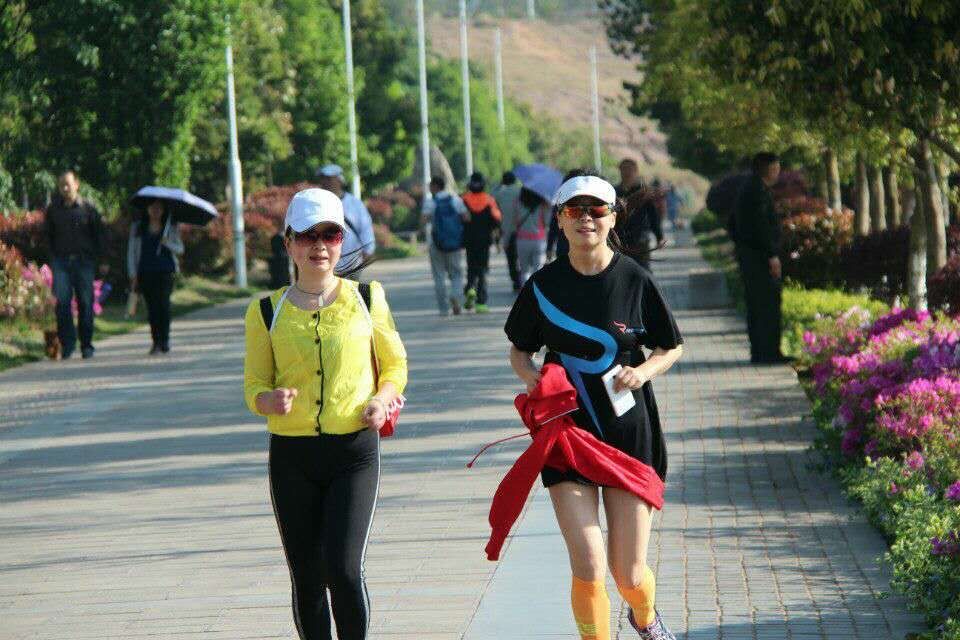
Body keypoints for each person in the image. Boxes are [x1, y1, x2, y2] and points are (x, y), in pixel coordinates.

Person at [505, 174, 683, 640]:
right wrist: (531, 377)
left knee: (629, 574)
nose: (586, 218)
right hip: (568, 435)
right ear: (560, 220)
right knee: (588, 564)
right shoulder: (542, 285)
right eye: (575, 210)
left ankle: (645, 617)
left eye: (597, 210)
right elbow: (520, 350)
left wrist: (643, 372)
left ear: (613, 218)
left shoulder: (634, 279)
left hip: (628, 434)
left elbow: (670, 346)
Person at [244, 188, 407, 640]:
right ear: (288, 243)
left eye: (330, 235)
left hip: (353, 452)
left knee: (344, 569)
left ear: (341, 240)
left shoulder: (368, 299)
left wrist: (382, 399)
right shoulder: (265, 311)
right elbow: (253, 385)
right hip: (292, 457)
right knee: (308, 578)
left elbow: (395, 365)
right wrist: (268, 401)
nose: (319, 246)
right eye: (307, 236)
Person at [44, 170, 109, 360]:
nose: (65, 188)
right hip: (61, 262)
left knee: (85, 303)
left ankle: (86, 344)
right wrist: (52, 258)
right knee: (62, 304)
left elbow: (100, 236)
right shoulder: (53, 210)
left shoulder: (88, 208)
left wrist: (103, 260)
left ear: (76, 184)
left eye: (68, 184)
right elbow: (47, 236)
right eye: (61, 185)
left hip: (84, 262)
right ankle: (68, 344)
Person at [733, 152, 790, 364]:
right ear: (767, 169)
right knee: (766, 305)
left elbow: (733, 224)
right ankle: (769, 352)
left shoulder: (749, 188)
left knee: (757, 306)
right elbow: (761, 228)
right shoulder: (756, 192)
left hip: (750, 257)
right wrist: (771, 254)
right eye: (775, 169)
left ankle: (760, 352)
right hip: (759, 260)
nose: (778, 173)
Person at [127, 199, 184, 354]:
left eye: (159, 207)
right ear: (147, 209)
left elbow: (180, 249)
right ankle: (156, 341)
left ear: (163, 210)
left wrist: (167, 243)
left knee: (163, 305)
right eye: (152, 207)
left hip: (165, 271)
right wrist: (132, 273)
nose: (155, 210)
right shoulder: (138, 227)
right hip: (145, 271)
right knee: (152, 307)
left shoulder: (170, 227)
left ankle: (165, 339)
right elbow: (131, 251)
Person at [422, 176, 469, 316]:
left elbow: (423, 221)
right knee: (456, 273)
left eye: (430, 186)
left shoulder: (430, 202)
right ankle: (455, 296)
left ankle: (443, 309)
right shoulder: (455, 200)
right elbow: (467, 217)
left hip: (436, 243)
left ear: (435, 186)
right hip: (454, 243)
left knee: (439, 276)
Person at [316, 164, 376, 274]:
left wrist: (368, 250)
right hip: (325, 265)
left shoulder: (354, 203)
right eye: (323, 179)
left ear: (339, 180)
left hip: (352, 264)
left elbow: (365, 228)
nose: (325, 182)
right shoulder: (317, 203)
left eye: (329, 179)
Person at [462, 172, 502, 313]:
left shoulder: (464, 199)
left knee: (471, 266)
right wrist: (497, 241)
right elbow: (497, 220)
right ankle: (481, 302)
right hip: (484, 241)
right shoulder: (489, 200)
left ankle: (470, 288)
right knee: (482, 270)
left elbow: (459, 219)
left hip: (469, 240)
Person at [615, 161, 664, 268]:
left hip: (640, 239)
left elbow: (653, 216)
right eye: (624, 169)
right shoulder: (614, 192)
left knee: (643, 270)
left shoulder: (643, 192)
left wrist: (659, 236)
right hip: (620, 240)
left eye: (630, 169)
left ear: (636, 171)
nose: (627, 172)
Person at [515, 186, 553, 285]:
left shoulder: (518, 203)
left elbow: (514, 221)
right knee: (538, 271)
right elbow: (547, 222)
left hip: (522, 240)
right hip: (538, 241)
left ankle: (526, 291)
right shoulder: (542, 205)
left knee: (524, 271)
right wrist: (548, 208)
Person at [492, 171, 522, 292]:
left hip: (506, 230)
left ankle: (515, 280)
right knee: (522, 258)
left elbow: (491, 198)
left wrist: (499, 185)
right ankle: (522, 278)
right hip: (522, 230)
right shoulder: (521, 192)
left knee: (511, 258)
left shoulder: (499, 193)